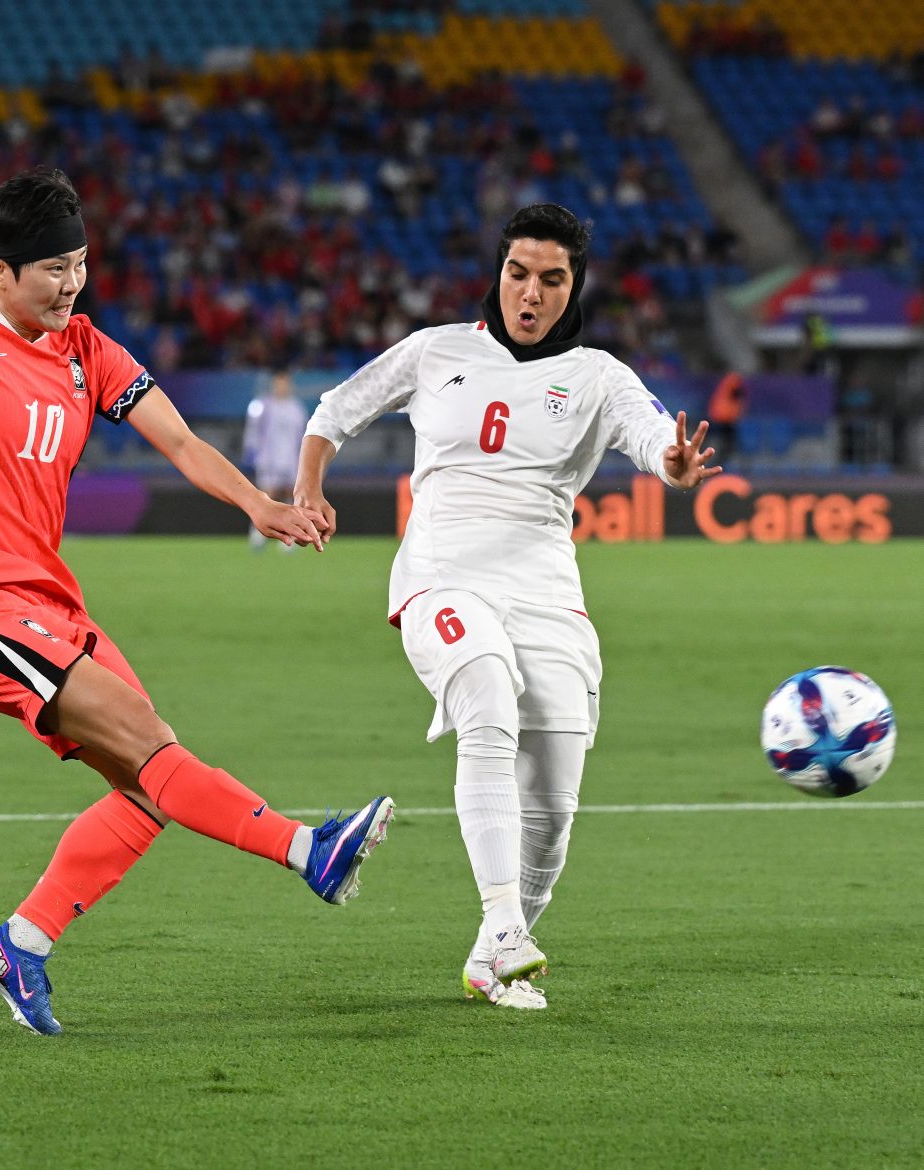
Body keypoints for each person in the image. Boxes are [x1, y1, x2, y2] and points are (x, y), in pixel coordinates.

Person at [0, 168, 393, 1035]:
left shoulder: (90, 351)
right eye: (52, 268)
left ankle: (23, 942)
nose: (70, 284)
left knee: (149, 789)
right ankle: (307, 851)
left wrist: (260, 506)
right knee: (151, 745)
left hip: (52, 606)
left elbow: (179, 438)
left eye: (80, 264)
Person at [295, 203, 720, 1011]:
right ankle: (502, 927)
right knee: (486, 688)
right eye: (517, 273)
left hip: (545, 590)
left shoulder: (597, 374)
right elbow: (333, 413)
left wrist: (671, 462)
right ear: (498, 273)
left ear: (574, 287)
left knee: (553, 810)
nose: (530, 293)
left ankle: (495, 951)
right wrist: (309, 486)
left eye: (551, 279)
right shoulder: (437, 350)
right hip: (441, 571)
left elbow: (648, 435)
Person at [242, 366, 309, 550]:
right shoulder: (263, 405)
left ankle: (290, 538)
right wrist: (252, 451)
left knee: (290, 496)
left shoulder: (297, 409)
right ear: (273, 385)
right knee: (268, 495)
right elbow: (253, 431)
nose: (282, 387)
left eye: (285, 383)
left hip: (291, 459)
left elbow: (303, 436)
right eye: (278, 383)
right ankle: (257, 535)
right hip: (269, 458)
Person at [706, 369, 747, 465]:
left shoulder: (725, 384)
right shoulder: (733, 380)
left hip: (721, 418)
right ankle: (718, 462)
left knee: (723, 443)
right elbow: (738, 393)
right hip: (723, 419)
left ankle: (719, 462)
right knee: (724, 443)